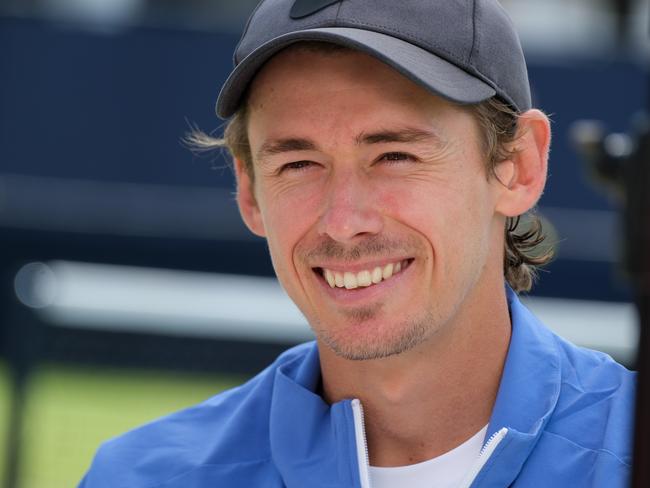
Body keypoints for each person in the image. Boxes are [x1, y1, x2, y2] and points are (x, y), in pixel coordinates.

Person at [78, 1, 635, 487]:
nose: (344, 222)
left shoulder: (629, 454)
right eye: (299, 163)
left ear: (517, 166)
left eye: (394, 156)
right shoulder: (141, 477)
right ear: (248, 191)